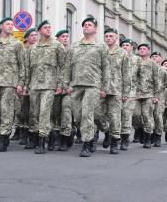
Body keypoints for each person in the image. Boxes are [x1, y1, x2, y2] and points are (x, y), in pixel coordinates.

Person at [62, 17, 110, 157]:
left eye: (89, 25)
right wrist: (66, 84)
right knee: (77, 116)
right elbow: (67, 67)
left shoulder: (101, 46)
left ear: (95, 29)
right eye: (84, 25)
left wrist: (104, 88)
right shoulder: (74, 46)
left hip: (93, 85)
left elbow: (106, 68)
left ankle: (87, 144)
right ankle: (94, 132)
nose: (86, 27)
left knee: (87, 113)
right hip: (76, 85)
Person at [23, 20, 65, 154]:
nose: (48, 29)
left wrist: (60, 84)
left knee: (44, 112)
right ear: (39, 31)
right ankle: (51, 133)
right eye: (45, 28)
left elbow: (63, 66)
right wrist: (26, 85)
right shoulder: (33, 48)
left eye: (49, 27)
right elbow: (27, 69)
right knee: (34, 113)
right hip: (35, 85)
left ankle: (41, 141)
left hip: (50, 85)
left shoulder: (57, 46)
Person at [0, 17, 25, 152]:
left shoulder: (16, 44)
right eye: (8, 24)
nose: (10, 26)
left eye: (12, 24)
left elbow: (22, 65)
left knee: (6, 110)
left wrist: (21, 83)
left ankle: (4, 137)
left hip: (10, 82)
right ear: (1, 26)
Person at [94, 28, 130, 154]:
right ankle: (107, 131)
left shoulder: (122, 53)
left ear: (116, 38)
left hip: (116, 90)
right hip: (100, 89)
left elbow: (126, 74)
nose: (108, 38)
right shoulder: (100, 51)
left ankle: (114, 142)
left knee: (115, 117)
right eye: (106, 36)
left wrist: (126, 92)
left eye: (110, 36)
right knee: (97, 115)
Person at [53, 29, 76, 151]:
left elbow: (75, 70)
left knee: (66, 112)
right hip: (55, 88)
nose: (66, 38)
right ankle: (57, 134)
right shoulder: (52, 51)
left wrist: (70, 86)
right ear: (57, 39)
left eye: (67, 36)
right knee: (56, 113)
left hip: (68, 89)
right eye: (63, 36)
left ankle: (65, 138)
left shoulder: (72, 52)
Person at [133, 44, 159, 149]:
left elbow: (157, 80)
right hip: (136, 93)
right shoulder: (135, 62)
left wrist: (156, 95)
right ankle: (140, 130)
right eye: (140, 49)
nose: (142, 50)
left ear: (148, 51)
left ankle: (148, 138)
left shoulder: (152, 64)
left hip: (149, 94)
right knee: (135, 114)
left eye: (144, 49)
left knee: (147, 116)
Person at [119, 39, 142, 150]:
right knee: (115, 114)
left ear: (132, 47)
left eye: (127, 45)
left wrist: (139, 92)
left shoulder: (137, 60)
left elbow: (141, 77)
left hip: (132, 91)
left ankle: (125, 138)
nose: (124, 47)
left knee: (127, 114)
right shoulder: (117, 57)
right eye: (123, 45)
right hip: (117, 90)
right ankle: (114, 134)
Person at [149, 51, 167, 147]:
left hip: (161, 97)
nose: (154, 58)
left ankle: (158, 136)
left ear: (160, 59)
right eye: (153, 56)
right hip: (148, 95)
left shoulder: (164, 70)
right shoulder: (147, 68)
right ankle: (150, 134)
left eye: (156, 56)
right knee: (149, 116)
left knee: (158, 116)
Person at [20, 28, 37, 147]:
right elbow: (23, 69)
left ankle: (33, 135)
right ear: (26, 38)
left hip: (37, 84)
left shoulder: (39, 51)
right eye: (31, 35)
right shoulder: (23, 51)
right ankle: (25, 131)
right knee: (24, 111)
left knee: (35, 111)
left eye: (35, 35)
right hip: (26, 83)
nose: (34, 37)